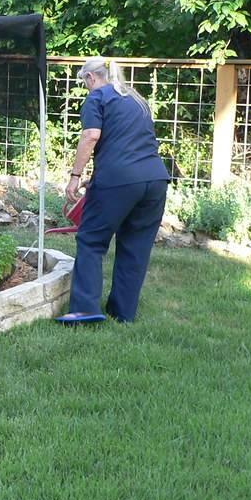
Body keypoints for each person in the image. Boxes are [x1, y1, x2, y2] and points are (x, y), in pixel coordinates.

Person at [55, 56, 171, 324]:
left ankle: (84, 310)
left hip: (119, 180)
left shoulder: (97, 98)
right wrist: (96, 179)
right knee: (135, 247)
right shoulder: (135, 98)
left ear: (90, 78)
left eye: (84, 82)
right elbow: (126, 143)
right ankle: (123, 313)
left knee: (91, 240)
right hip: (154, 180)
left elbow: (91, 136)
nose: (85, 87)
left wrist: (75, 176)